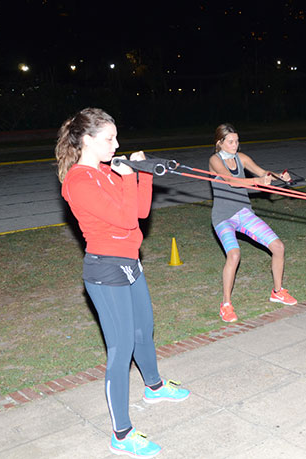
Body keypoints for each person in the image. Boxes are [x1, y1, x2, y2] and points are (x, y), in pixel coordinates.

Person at [56, 107, 189, 458]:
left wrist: (142, 174)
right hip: (105, 270)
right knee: (120, 350)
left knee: (144, 329)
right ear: (86, 140)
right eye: (109, 139)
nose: (117, 145)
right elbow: (126, 217)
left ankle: (154, 387)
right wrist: (130, 175)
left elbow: (141, 212)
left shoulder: (107, 171)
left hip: (131, 263)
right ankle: (121, 434)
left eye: (117, 137)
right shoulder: (79, 181)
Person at [209, 123, 297, 322]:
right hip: (223, 217)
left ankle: (277, 291)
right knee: (234, 255)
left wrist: (278, 176)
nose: (235, 145)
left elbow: (261, 172)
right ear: (220, 143)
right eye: (230, 141)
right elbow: (231, 181)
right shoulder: (215, 160)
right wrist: (257, 182)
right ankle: (226, 305)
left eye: (237, 141)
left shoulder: (242, 158)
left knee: (278, 247)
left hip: (243, 213)